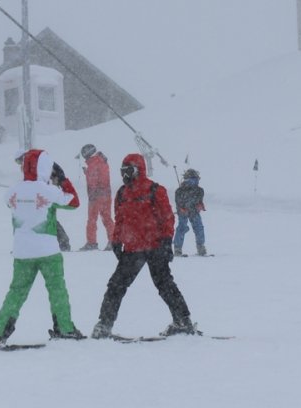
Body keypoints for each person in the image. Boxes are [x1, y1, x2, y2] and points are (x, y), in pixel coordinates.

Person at [91, 153, 197, 339]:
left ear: (138, 170)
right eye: (122, 172)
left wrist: (167, 242)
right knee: (116, 285)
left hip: (155, 246)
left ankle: (183, 321)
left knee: (164, 285)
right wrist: (116, 240)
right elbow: (120, 219)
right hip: (133, 249)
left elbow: (167, 218)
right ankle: (104, 325)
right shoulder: (122, 193)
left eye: (128, 171)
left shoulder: (155, 190)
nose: (125, 176)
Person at [0, 149, 84, 345]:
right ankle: (64, 328)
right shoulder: (49, 191)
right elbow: (74, 202)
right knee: (57, 290)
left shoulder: (12, 192)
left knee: (17, 291)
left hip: (22, 251)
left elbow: (11, 202)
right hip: (48, 250)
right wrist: (62, 180)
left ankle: (0, 332)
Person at [16, 150, 71, 251]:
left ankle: (63, 242)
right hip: (41, 191)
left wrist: (54, 186)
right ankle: (27, 244)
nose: (19, 164)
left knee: (46, 217)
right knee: (39, 217)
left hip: (46, 191)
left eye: (19, 161)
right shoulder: (30, 165)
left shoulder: (36, 164)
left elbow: (52, 175)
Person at [78, 143, 115, 251]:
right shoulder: (102, 161)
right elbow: (100, 176)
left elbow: (93, 180)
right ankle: (113, 241)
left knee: (92, 220)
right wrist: (87, 172)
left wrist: (92, 194)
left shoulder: (93, 163)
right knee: (107, 218)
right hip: (106, 194)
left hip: (96, 196)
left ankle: (91, 243)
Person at [173, 168, 207, 256]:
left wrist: (200, 205)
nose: (196, 182)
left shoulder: (200, 190)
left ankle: (201, 247)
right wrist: (181, 209)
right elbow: (178, 202)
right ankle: (177, 249)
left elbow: (199, 200)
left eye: (196, 179)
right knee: (182, 227)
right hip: (183, 212)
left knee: (199, 227)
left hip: (194, 212)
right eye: (193, 179)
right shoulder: (179, 191)